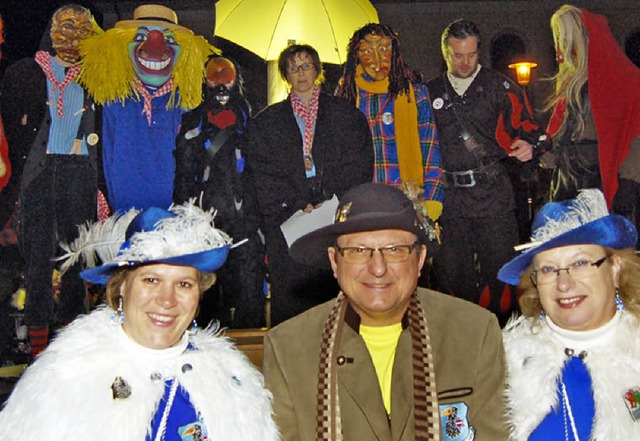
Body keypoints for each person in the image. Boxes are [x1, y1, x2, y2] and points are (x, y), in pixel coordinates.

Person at [0, 200, 280, 441]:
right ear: (121, 286)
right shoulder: (67, 373)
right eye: (151, 280)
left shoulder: (233, 381)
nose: (167, 300)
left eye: (183, 285)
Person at [263, 183, 508, 441]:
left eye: (395, 250)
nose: (377, 268)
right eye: (358, 251)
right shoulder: (288, 349)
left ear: (420, 258)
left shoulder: (474, 332)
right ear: (335, 262)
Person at [425, 19, 548, 323]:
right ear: (445, 53)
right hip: (449, 198)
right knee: (451, 274)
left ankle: (503, 332)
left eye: (471, 54)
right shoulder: (429, 92)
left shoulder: (500, 86)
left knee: (501, 271)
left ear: (478, 50)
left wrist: (531, 145)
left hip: (493, 194)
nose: (465, 62)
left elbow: (532, 128)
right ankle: (459, 337)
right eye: (457, 55)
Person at [0, 4, 101, 358]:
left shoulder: (100, 77)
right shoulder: (24, 73)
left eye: (82, 27)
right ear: (51, 29)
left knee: (77, 259)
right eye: (66, 25)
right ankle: (38, 353)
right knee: (38, 260)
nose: (72, 35)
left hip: (80, 174)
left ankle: (72, 346)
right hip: (38, 173)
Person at [498, 188, 640, 440]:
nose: (564, 283)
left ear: (615, 269)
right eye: (549, 269)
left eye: (580, 263)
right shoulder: (504, 361)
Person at [247, 44, 373, 326]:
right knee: (291, 299)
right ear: (285, 75)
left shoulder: (346, 115)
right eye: (293, 68)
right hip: (289, 218)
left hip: (333, 216)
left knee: (334, 292)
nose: (300, 73)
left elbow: (359, 162)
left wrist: (332, 198)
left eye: (306, 66)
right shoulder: (267, 122)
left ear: (317, 70)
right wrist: (294, 202)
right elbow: (261, 170)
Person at [78, 4, 216, 212]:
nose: (155, 46)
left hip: (176, 218)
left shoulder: (190, 102)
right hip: (124, 215)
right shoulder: (112, 99)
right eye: (142, 38)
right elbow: (102, 155)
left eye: (168, 39)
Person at [174, 55, 265, 328]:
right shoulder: (193, 123)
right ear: (204, 82)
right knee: (210, 304)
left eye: (227, 79)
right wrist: (186, 223)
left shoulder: (253, 123)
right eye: (215, 79)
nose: (221, 87)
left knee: (250, 300)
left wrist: (263, 225)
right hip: (207, 229)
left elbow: (263, 175)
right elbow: (182, 179)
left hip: (246, 227)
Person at [336, 23, 444, 222]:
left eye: (384, 49)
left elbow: (430, 149)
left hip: (408, 200)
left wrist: (432, 198)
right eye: (367, 51)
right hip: (363, 201)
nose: (377, 61)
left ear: (394, 51)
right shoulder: (348, 96)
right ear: (356, 55)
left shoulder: (415, 93)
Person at [543, 6, 640, 219]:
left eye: (564, 36)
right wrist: (542, 154)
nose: (561, 44)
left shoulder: (624, 79)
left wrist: (629, 179)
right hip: (568, 180)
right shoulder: (572, 82)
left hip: (600, 180)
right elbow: (558, 131)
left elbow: (636, 132)